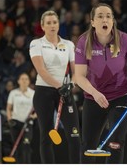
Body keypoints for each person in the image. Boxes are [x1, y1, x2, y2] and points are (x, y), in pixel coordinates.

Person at [74, 3, 127, 164]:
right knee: (87, 146)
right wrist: (94, 92)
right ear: (92, 22)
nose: (104, 19)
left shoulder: (125, 40)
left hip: (122, 96)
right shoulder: (83, 42)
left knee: (115, 143)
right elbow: (79, 76)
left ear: (113, 21)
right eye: (100, 16)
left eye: (108, 16)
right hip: (94, 97)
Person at [29, 10, 80, 164]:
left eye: (55, 22)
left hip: (65, 92)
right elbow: (42, 71)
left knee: (75, 134)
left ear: (59, 24)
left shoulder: (69, 44)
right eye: (49, 23)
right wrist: (60, 86)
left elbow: (76, 71)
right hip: (44, 92)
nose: (52, 25)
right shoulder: (36, 43)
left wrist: (71, 84)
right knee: (46, 136)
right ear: (43, 26)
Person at [6, 72, 36, 163]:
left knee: (26, 144)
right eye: (22, 79)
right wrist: (9, 119)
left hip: (28, 123)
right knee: (17, 146)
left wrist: (33, 116)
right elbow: (8, 108)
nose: (24, 81)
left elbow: (39, 109)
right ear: (18, 81)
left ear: (29, 81)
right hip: (15, 122)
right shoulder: (13, 93)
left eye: (26, 79)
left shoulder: (33, 93)